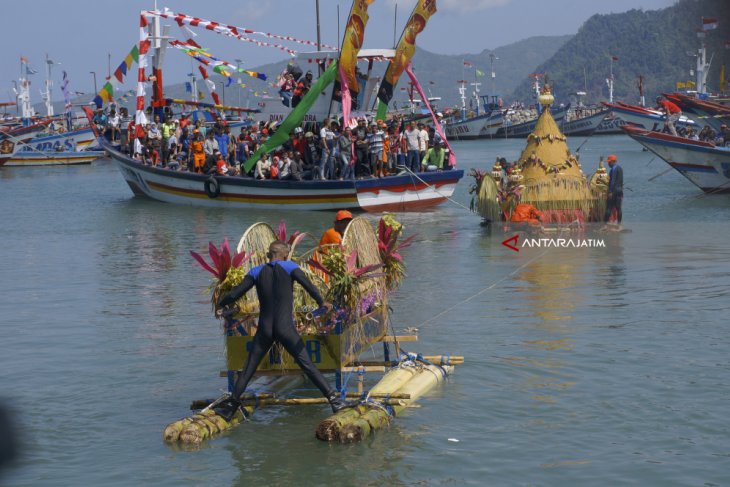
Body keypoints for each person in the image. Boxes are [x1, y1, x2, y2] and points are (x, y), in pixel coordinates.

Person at [214, 241, 355, 420]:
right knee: (307, 364)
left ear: (268, 255)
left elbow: (235, 294)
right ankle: (335, 401)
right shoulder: (290, 267)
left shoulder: (256, 271)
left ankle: (230, 408)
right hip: (285, 328)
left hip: (265, 328)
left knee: (249, 369)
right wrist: (322, 302)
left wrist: (219, 304)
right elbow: (309, 286)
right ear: (285, 255)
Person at [604, 154, 623, 226]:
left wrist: (610, 191)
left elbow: (612, 181)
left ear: (613, 161)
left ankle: (604, 224)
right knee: (619, 208)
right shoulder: (620, 168)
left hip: (614, 191)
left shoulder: (614, 169)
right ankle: (619, 224)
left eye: (609, 162)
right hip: (619, 190)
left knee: (608, 207)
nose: (608, 164)